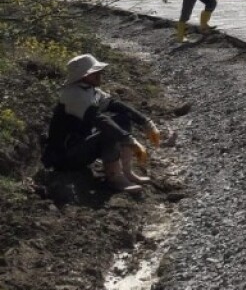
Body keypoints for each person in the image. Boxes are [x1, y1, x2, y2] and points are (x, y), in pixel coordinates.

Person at [42, 54, 162, 194]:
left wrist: (146, 123)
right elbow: (99, 120)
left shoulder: (89, 89)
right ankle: (115, 177)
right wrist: (130, 140)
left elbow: (114, 105)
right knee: (107, 131)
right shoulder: (74, 95)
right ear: (83, 75)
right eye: (95, 72)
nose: (99, 75)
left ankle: (127, 172)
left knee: (122, 119)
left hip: (79, 145)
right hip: (65, 156)